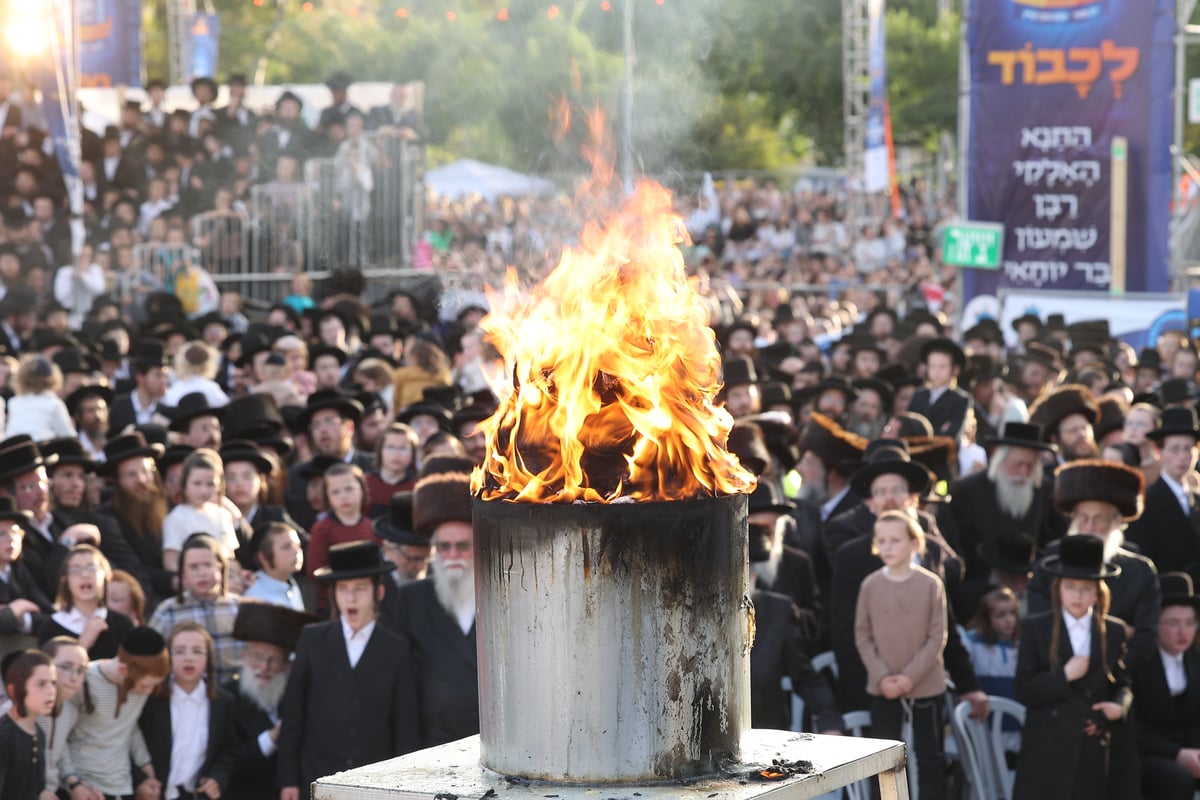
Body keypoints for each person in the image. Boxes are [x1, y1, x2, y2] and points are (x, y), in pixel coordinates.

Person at [276, 541, 420, 798]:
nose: (350, 598)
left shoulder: (396, 649)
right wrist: (288, 779)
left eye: (360, 589)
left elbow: (405, 727)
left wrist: (404, 787)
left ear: (379, 593)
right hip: (317, 778)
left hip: (375, 783)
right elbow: (293, 715)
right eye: (343, 589)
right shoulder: (312, 640)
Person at [1013, 535, 1136, 800]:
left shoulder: (1113, 631)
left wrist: (1117, 709)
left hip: (1091, 748)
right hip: (1046, 748)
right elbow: (1024, 690)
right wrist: (1064, 676)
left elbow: (1123, 684)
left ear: (1097, 592)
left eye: (1085, 588)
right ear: (1058, 589)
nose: (1077, 596)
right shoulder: (1037, 627)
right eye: (1070, 587)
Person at [853, 509, 948, 800]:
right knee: (883, 760)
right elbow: (862, 635)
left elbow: (937, 636)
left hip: (926, 688)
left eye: (895, 540)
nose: (888, 547)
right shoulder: (870, 585)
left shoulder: (931, 584)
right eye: (882, 540)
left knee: (929, 758)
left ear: (914, 542)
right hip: (884, 690)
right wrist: (883, 677)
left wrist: (909, 677)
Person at [1028, 459, 1162, 663]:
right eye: (1083, 517)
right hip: (1058, 674)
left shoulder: (1141, 572)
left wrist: (1108, 672)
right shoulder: (1048, 568)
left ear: (1117, 522)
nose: (1089, 527)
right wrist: (1119, 632)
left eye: (1099, 518)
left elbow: (1144, 639)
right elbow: (1041, 630)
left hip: (1117, 678)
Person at [391, 470, 480, 747]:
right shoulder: (410, 598)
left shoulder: (505, 597)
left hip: (494, 742)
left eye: (462, 546)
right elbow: (401, 682)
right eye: (444, 547)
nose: (452, 555)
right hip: (433, 743)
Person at [224, 603, 316, 800]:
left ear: (286, 665)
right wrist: (273, 737)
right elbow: (229, 760)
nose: (264, 667)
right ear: (244, 656)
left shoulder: (294, 697)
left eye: (274, 659)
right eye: (258, 657)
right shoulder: (228, 698)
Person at [67, 627, 171, 800]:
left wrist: (147, 768)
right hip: (85, 788)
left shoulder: (140, 691)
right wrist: (73, 782)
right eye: (145, 686)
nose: (148, 692)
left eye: (154, 685)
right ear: (124, 670)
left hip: (122, 786)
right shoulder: (85, 681)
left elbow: (129, 727)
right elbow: (60, 738)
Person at [137, 622, 236, 800]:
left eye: (197, 651)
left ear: (209, 658)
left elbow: (227, 752)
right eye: (180, 651)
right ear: (168, 656)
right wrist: (141, 781)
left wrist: (217, 778)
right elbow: (130, 744)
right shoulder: (151, 698)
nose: (188, 658)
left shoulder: (223, 702)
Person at [1130, 572, 1200, 800]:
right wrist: (1177, 753)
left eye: (1190, 623)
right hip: (1147, 752)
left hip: (1190, 748)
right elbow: (1134, 727)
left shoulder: (1195, 660)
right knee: (1176, 778)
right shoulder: (1139, 663)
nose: (1184, 632)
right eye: (1173, 623)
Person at [148, 535, 242, 684]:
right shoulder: (168, 611)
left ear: (221, 567)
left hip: (235, 694)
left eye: (207, 565)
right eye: (194, 567)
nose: (201, 572)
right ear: (183, 575)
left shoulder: (240, 607)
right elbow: (151, 655)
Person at [1125, 407, 1200, 583]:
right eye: (1174, 449)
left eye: (1188, 449)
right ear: (1159, 451)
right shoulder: (1147, 502)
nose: (1182, 456)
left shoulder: (1196, 499)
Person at [37, 544, 135, 659]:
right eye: (75, 570)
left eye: (92, 568)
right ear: (65, 580)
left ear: (106, 576)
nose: (85, 575)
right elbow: (52, 674)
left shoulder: (122, 624)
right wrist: (83, 644)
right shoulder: (51, 628)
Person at [306, 463, 374, 613]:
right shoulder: (322, 529)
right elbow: (314, 571)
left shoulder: (372, 528)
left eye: (349, 489)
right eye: (335, 492)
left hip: (368, 603)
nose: (343, 496)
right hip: (332, 606)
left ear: (362, 489)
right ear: (327, 497)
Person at [161, 449, 240, 573]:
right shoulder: (176, 518)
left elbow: (230, 556)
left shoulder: (223, 514)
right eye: (197, 483)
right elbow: (171, 562)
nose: (203, 491)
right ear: (184, 484)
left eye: (210, 484)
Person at [37, 637, 96, 800]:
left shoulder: (70, 711)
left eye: (81, 670)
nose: (74, 677)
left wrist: (74, 782)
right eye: (65, 667)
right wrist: (36, 791)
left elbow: (59, 748)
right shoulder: (19, 710)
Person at [0, 649, 57, 800]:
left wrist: (42, 794)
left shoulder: (38, 732)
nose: (51, 691)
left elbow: (34, 786)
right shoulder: (4, 737)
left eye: (53, 683)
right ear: (14, 690)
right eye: (41, 684)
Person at [907, 337, 970, 439]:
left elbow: (951, 434)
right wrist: (939, 431)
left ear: (955, 369)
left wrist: (920, 433)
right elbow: (908, 428)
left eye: (942, 367)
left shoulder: (960, 400)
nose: (936, 371)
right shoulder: (919, 395)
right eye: (932, 366)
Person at [4, 355, 75, 440]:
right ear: (52, 379)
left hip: (14, 451)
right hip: (40, 451)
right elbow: (68, 436)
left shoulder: (13, 402)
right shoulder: (54, 404)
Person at [241, 522, 306, 611]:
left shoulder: (290, 584)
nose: (296, 551)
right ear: (264, 557)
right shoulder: (254, 596)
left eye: (298, 545)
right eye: (287, 547)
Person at [367, 423, 419, 518]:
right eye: (391, 447)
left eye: (403, 448)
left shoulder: (417, 488)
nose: (397, 454)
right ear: (380, 451)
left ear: (413, 454)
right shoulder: (364, 483)